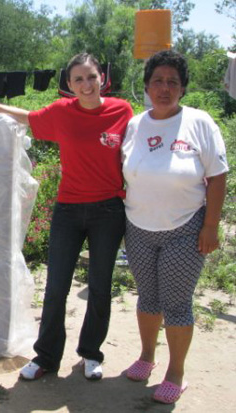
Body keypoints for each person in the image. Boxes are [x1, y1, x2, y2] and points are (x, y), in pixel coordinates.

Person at [0, 53, 133, 380]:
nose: (86, 85)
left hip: (109, 211)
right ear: (69, 85)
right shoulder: (61, 113)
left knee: (99, 286)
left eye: (91, 77)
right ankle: (46, 358)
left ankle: (91, 354)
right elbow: (26, 116)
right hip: (68, 210)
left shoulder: (121, 110)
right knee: (56, 287)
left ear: (102, 78)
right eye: (78, 79)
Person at [122, 50, 228, 404]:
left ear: (183, 88)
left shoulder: (199, 123)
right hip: (138, 227)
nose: (164, 88)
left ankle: (175, 372)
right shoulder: (136, 124)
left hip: (185, 230)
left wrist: (210, 226)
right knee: (148, 298)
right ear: (147, 86)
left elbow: (217, 177)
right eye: (157, 81)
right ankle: (147, 357)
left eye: (172, 82)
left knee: (177, 303)